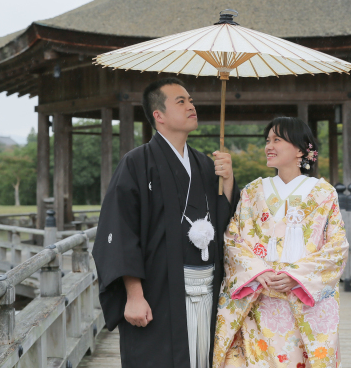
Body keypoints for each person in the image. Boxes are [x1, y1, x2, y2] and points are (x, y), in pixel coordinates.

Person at [93, 77, 240, 368]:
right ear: (158, 116)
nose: (191, 106)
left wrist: (228, 180)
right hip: (157, 291)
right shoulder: (136, 163)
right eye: (181, 101)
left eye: (191, 101)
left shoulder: (204, 164)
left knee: (201, 359)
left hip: (206, 289)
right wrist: (134, 295)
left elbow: (222, 224)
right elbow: (121, 232)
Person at [213, 117, 349, 368]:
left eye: (277, 139)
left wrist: (296, 276)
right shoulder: (254, 191)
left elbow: (337, 247)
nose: (269, 146)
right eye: (267, 140)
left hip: (302, 299)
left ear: (300, 149)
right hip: (259, 297)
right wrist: (258, 271)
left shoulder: (323, 193)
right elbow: (233, 238)